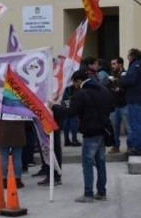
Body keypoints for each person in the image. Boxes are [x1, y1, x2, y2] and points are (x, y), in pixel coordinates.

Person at [52, 69, 114, 203]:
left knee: (87, 164)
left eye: (75, 84)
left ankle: (88, 194)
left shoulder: (82, 93)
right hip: (103, 131)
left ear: (78, 81)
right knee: (100, 163)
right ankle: (102, 192)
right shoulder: (104, 90)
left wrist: (55, 106)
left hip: (90, 133)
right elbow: (112, 107)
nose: (75, 86)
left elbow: (70, 112)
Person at [120, 48, 141, 156]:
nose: (128, 58)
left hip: (134, 98)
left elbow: (130, 80)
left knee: (135, 125)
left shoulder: (135, 66)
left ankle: (137, 148)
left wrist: (120, 79)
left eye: (129, 56)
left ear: (134, 56)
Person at [0, 120, 26, 189]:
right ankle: (17, 180)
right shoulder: (21, 108)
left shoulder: (1, 108)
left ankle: (4, 180)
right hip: (18, 131)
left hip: (3, 130)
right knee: (17, 158)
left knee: (3, 157)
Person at [107, 57, 129, 153]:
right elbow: (107, 87)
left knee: (129, 128)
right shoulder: (111, 75)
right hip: (114, 105)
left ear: (120, 64)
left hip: (124, 104)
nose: (112, 66)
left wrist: (118, 85)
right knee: (114, 128)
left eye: (114, 64)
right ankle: (115, 146)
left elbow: (126, 85)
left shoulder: (126, 74)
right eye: (111, 64)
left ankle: (131, 146)